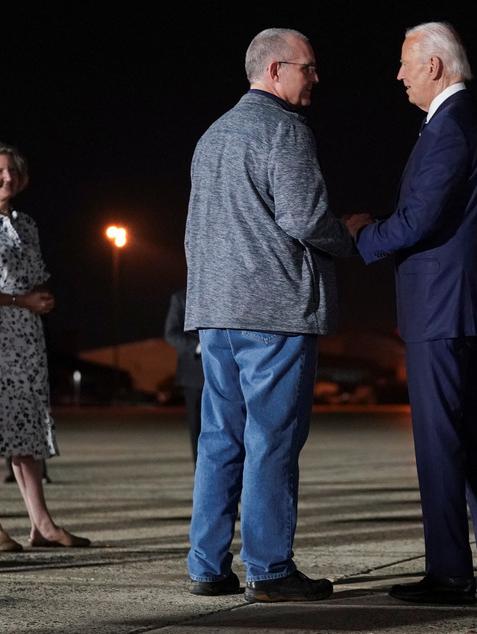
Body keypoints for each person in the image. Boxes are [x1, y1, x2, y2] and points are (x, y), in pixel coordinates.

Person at [346, 22, 477, 604]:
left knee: (441, 444)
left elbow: (420, 219)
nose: (398, 75)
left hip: (443, 310)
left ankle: (450, 573)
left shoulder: (449, 128)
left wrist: (364, 236)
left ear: (435, 67)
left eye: (404, 64)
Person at [183, 28, 356, 603]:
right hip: (273, 311)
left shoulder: (211, 136)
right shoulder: (285, 130)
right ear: (276, 70)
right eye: (308, 67)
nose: (315, 77)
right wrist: (349, 236)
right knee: (273, 441)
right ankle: (270, 568)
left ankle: (207, 565)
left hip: (215, 312)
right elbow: (305, 217)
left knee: (219, 439)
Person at [0, 141, 90, 553]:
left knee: (27, 429)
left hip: (24, 339)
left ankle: (42, 525)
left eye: (12, 171)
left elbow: (35, 278)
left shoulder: (26, 225)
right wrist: (20, 300)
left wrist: (40, 297)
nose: (6, 177)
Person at [164, 287, 203, 465]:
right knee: (198, 428)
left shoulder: (222, 292)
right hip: (194, 375)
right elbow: (171, 333)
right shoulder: (180, 298)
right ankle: (201, 475)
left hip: (225, 372)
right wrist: (198, 346)